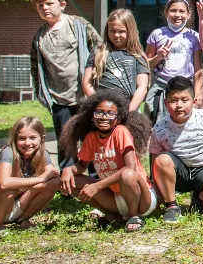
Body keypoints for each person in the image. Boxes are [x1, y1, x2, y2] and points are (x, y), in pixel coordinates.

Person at [59, 90, 156, 232]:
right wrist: (68, 170)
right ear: (91, 116)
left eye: (110, 113)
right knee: (72, 179)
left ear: (118, 118)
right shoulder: (91, 137)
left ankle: (134, 217)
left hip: (141, 200)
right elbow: (81, 166)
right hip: (117, 199)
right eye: (99, 112)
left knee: (127, 175)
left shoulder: (120, 132)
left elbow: (130, 168)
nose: (104, 117)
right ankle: (111, 214)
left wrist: (97, 186)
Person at [28, 0, 101, 168]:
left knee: (89, 136)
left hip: (84, 95)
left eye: (49, 3)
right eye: (40, 5)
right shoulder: (39, 37)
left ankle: (94, 175)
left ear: (62, 4)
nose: (44, 8)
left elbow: (100, 49)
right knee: (65, 139)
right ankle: (67, 180)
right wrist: (41, 94)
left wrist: (94, 81)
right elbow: (35, 68)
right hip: (58, 97)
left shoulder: (78, 25)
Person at [149, 76, 203, 223]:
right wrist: (156, 189)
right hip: (179, 173)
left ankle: (199, 195)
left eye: (184, 100)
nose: (179, 105)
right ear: (165, 102)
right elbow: (155, 156)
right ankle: (172, 205)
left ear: (194, 102)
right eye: (173, 100)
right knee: (162, 159)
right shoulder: (160, 127)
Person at [0, 117, 59, 231]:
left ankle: (23, 220)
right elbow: (4, 183)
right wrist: (41, 178)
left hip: (21, 204)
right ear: (14, 138)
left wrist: (30, 187)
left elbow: (56, 182)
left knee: (48, 189)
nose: (27, 143)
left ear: (42, 139)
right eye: (22, 138)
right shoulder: (8, 152)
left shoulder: (43, 154)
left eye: (33, 138)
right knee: (8, 190)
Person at [144, 0, 203, 119]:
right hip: (161, 87)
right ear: (166, 13)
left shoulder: (194, 37)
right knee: (155, 126)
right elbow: (146, 65)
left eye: (182, 11)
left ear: (189, 14)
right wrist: (158, 57)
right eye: (173, 10)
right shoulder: (157, 34)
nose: (177, 15)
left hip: (185, 87)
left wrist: (195, 96)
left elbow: (198, 70)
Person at [82, 8, 149, 112]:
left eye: (121, 31)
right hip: (101, 108)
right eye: (112, 31)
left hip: (129, 109)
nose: (116, 35)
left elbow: (142, 87)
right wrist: (98, 105)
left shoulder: (138, 56)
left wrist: (129, 111)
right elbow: (87, 82)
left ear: (131, 31)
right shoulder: (97, 52)